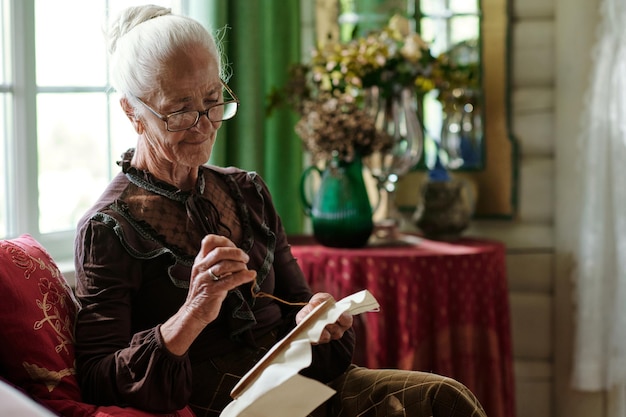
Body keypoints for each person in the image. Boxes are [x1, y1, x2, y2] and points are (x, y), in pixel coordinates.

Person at [73, 5, 488, 417]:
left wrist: (319, 321)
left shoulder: (246, 192)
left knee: (443, 401)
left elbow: (297, 306)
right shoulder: (108, 228)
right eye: (180, 111)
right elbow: (96, 376)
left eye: (214, 100)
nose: (203, 125)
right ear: (133, 111)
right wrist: (193, 311)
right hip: (223, 406)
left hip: (304, 392)